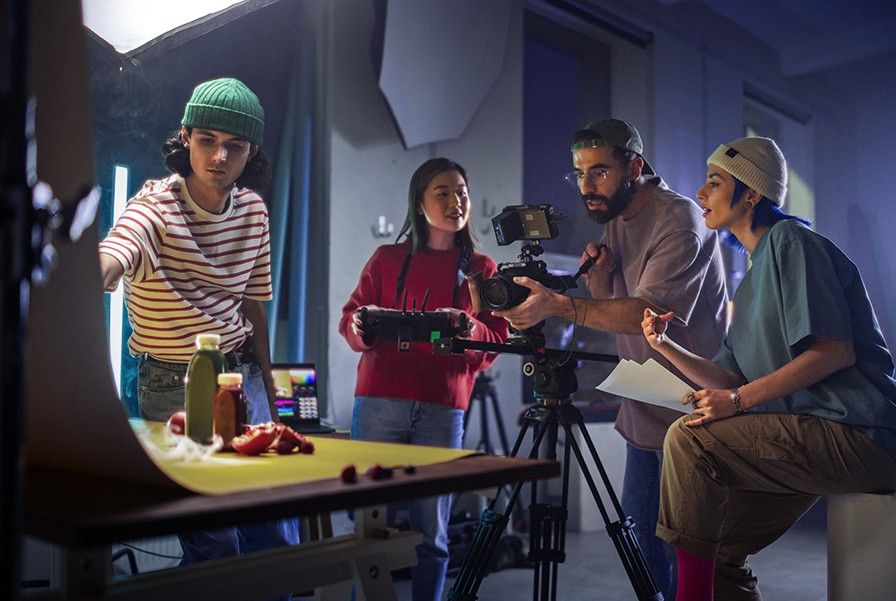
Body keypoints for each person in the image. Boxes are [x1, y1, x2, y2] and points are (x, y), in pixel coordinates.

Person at [642, 136, 896, 601]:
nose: (701, 193)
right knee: (719, 546)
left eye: (714, 182)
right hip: (811, 436)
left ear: (752, 194)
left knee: (688, 437)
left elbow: (834, 352)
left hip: (859, 434)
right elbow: (730, 379)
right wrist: (664, 346)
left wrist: (735, 403)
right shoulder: (752, 281)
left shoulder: (792, 243)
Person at [493, 119, 728, 599]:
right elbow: (614, 306)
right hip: (643, 404)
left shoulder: (680, 220)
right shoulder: (618, 221)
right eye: (579, 174)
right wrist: (599, 279)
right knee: (642, 537)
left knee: (685, 548)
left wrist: (559, 304)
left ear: (634, 166)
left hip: (691, 410)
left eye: (599, 172)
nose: (586, 186)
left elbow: (648, 312)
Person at [98, 77, 299, 595]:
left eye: (234, 145)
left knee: (274, 530)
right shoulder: (154, 207)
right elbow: (116, 251)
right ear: (185, 137)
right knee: (215, 542)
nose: (218, 155)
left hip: (243, 372)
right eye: (207, 139)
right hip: (174, 381)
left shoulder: (253, 209)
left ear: (250, 151)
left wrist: (271, 389)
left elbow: (252, 303)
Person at [339, 157, 509, 601]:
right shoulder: (386, 258)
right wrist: (360, 326)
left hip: (442, 409)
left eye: (462, 193)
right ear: (419, 203)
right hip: (378, 404)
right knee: (367, 530)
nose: (457, 202)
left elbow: (494, 344)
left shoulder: (482, 270)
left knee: (432, 535)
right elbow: (350, 320)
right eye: (444, 193)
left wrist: (470, 329)